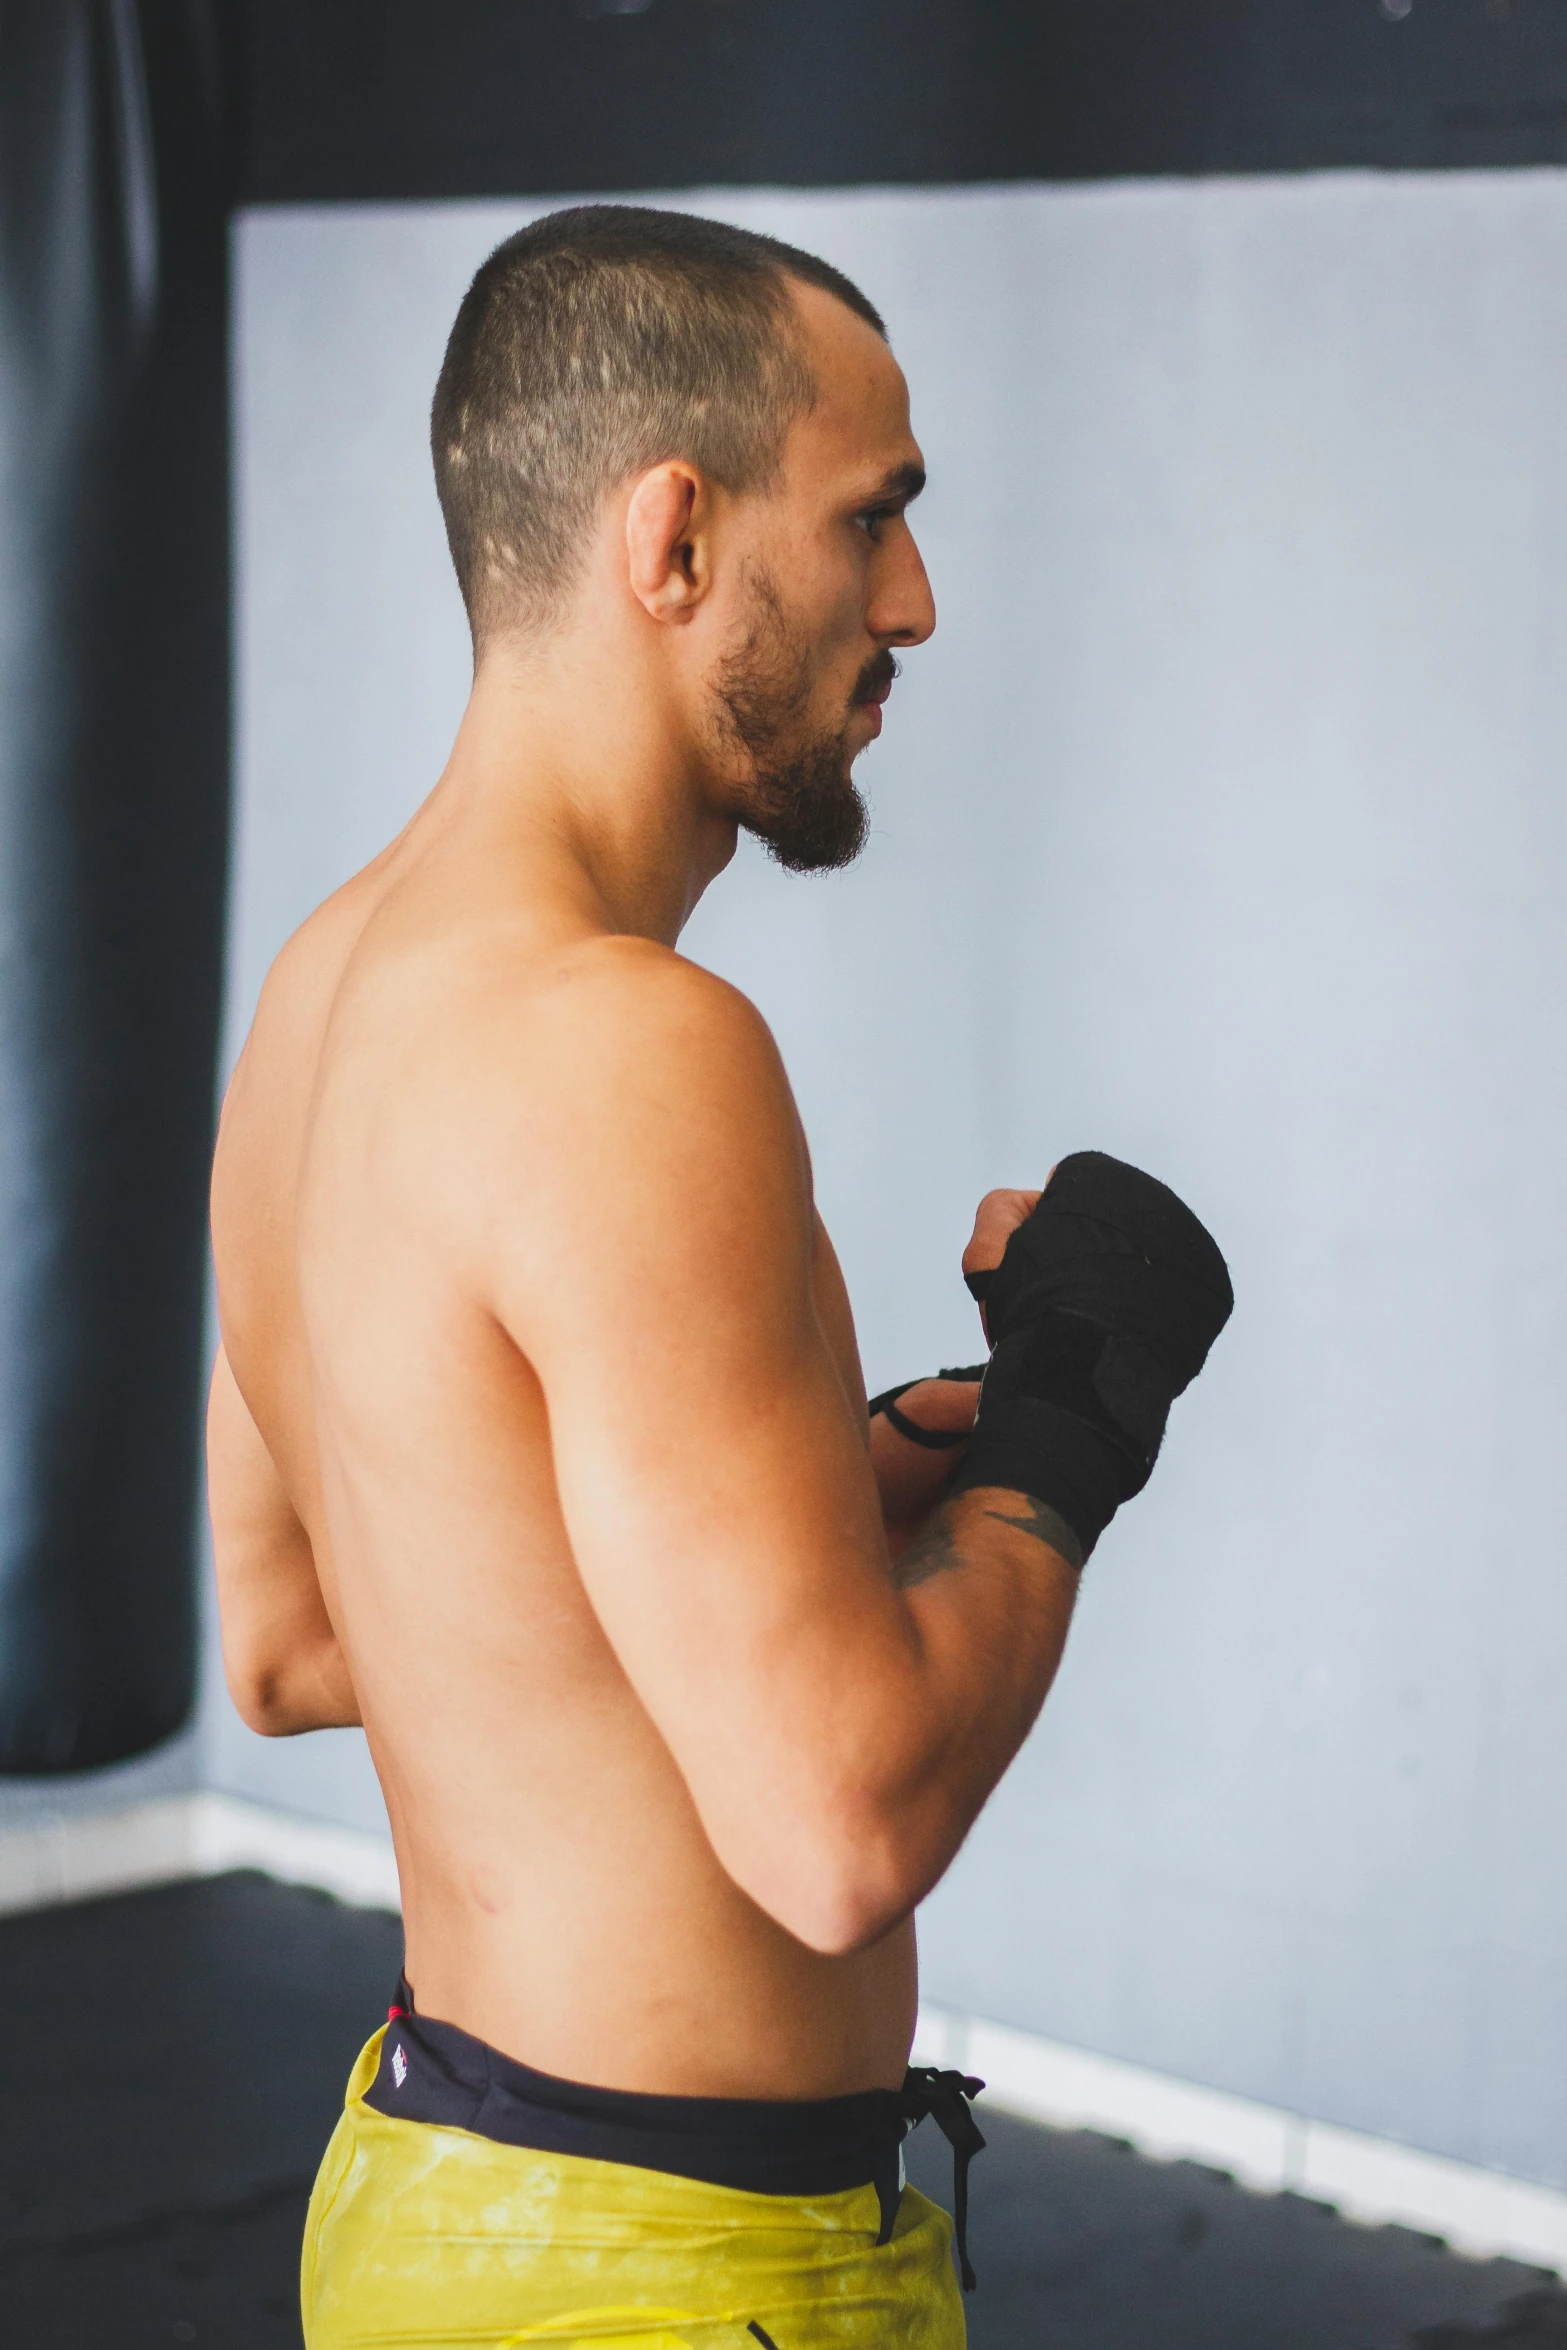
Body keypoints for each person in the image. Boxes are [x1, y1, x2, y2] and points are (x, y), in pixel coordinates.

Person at [207, 206, 1231, 2349]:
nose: (915, 604)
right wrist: (1071, 1420)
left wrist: (816, 1492)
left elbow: (304, 1637)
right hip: (666, 2273)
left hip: (430, 2196)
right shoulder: (631, 1044)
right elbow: (841, 1826)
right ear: (672, 535)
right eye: (873, 521)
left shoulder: (320, 991)